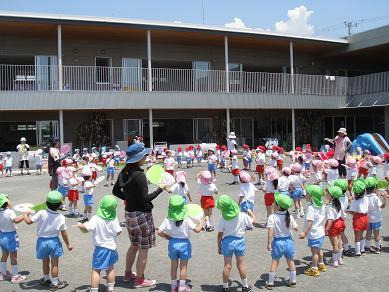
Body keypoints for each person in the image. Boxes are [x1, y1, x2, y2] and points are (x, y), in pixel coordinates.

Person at [112, 142, 166, 288]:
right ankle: (140, 280)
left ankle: (128, 273)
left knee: (133, 245)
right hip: (142, 215)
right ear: (139, 158)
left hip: (129, 214)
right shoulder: (140, 175)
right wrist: (160, 189)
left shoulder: (124, 172)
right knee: (143, 248)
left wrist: (128, 199)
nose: (146, 157)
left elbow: (115, 191)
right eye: (144, 155)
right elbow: (145, 199)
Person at [24, 191, 72, 290]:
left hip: (41, 242)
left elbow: (28, 221)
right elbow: (64, 233)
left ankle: (46, 278)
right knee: (55, 263)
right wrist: (68, 244)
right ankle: (55, 282)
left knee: (45, 261)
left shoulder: (41, 213)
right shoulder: (61, 217)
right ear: (60, 204)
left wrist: (26, 214)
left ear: (46, 203)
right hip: (54, 242)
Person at [157, 195, 203, 292]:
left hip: (173, 243)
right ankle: (182, 287)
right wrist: (201, 222)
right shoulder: (186, 220)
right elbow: (198, 230)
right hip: (184, 244)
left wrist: (167, 236)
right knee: (183, 266)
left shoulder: (167, 219)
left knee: (173, 266)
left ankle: (173, 286)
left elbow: (159, 232)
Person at [77, 195, 122, 292]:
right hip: (112, 248)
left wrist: (80, 225)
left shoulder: (96, 218)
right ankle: (110, 288)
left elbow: (87, 228)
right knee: (110, 268)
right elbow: (118, 231)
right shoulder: (114, 218)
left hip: (101, 249)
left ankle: (94, 290)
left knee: (96, 270)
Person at [216, 195, 253, 292]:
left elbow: (220, 234)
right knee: (241, 264)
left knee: (227, 265)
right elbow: (252, 222)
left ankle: (225, 286)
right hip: (239, 241)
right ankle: (245, 285)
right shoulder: (242, 215)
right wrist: (250, 212)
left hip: (227, 242)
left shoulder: (223, 219)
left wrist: (219, 246)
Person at [265, 193, 298, 290]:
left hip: (277, 242)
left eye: (274, 202)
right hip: (288, 241)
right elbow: (296, 228)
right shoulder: (289, 216)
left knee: (275, 262)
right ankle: (293, 281)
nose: (272, 202)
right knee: (290, 261)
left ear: (278, 206)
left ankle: (270, 282)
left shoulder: (272, 217)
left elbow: (270, 230)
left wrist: (269, 243)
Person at [299, 185, 327, 277]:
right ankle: (321, 264)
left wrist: (304, 233)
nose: (305, 195)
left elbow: (310, 223)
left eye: (307, 194)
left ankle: (314, 268)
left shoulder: (311, 208)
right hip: (320, 232)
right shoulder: (322, 205)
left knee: (314, 252)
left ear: (312, 197)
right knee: (319, 249)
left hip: (314, 233)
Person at [0, 193, 26, 283]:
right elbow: (16, 220)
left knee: (4, 255)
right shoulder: (10, 212)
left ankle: (3, 274)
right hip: (11, 236)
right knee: (13, 257)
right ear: (6, 203)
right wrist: (24, 215)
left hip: (2, 236)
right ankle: (15, 276)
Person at [346, 179, 369, 257]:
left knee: (357, 237)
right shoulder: (366, 198)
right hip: (365, 217)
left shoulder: (355, 202)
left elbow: (354, 212)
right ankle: (362, 249)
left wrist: (347, 211)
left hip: (358, 219)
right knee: (361, 234)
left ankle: (358, 251)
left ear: (355, 193)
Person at [365, 177, 386, 254]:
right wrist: (384, 198)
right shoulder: (375, 198)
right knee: (376, 234)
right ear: (375, 188)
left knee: (368, 233)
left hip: (367, 218)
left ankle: (367, 247)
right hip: (376, 219)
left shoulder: (365, 197)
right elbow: (382, 206)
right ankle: (378, 248)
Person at [325, 186, 345, 267]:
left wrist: (326, 229)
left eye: (328, 193)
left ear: (332, 196)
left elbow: (330, 220)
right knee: (339, 241)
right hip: (339, 222)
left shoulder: (330, 207)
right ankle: (340, 259)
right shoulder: (338, 202)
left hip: (333, 225)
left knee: (334, 244)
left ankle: (334, 261)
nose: (326, 194)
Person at [333, 179, 352, 256]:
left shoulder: (337, 200)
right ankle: (346, 248)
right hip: (343, 219)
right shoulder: (345, 197)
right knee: (342, 234)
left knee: (337, 237)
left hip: (337, 220)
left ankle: (338, 253)